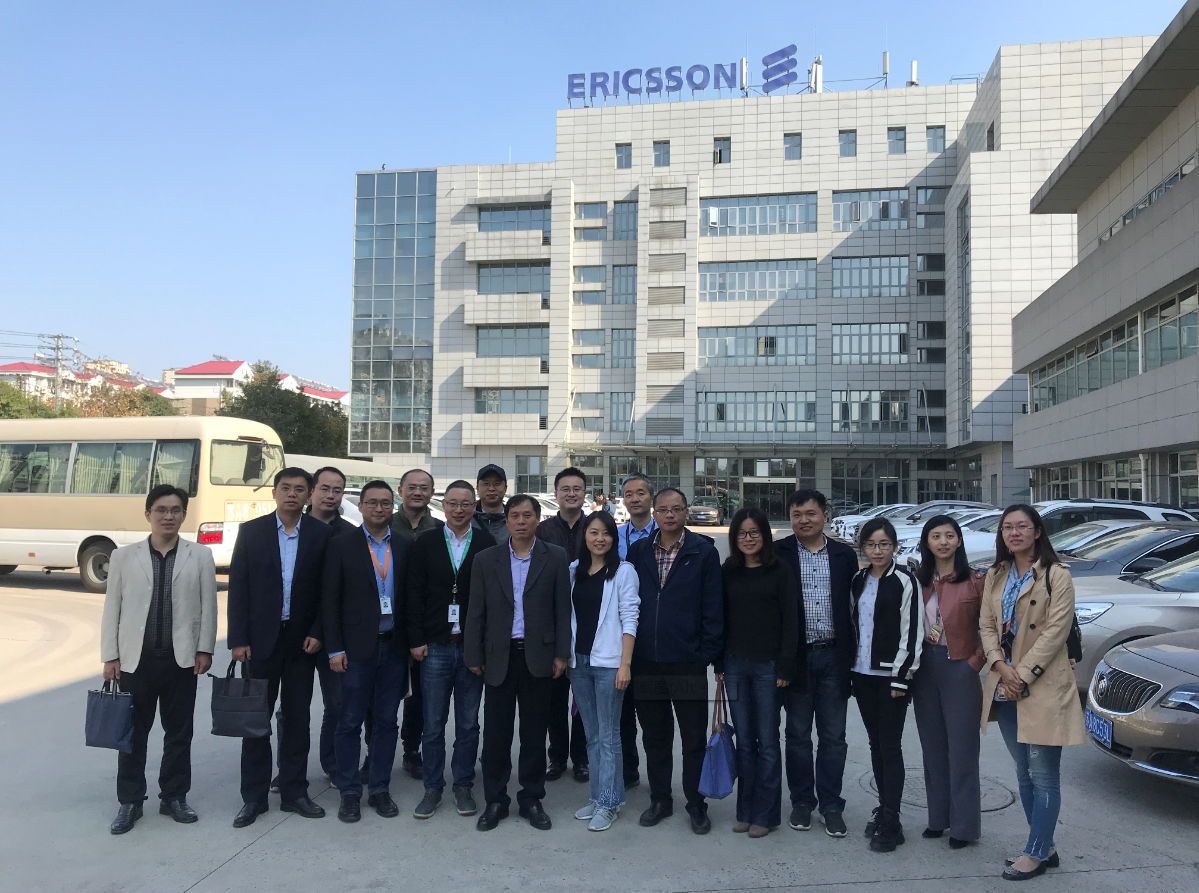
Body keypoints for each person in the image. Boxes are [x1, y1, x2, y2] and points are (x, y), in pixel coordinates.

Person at [100, 484, 218, 834]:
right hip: (136, 661)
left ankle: (174, 797)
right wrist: (110, 655)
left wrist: (205, 648)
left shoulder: (200, 556)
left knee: (179, 733)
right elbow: (112, 608)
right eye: (162, 510)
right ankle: (130, 801)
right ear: (148, 514)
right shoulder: (124, 556)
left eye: (175, 510)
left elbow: (209, 607)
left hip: (181, 661)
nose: (169, 516)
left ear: (184, 515)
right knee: (132, 735)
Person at [980, 504, 1085, 881]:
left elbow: (1056, 632)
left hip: (1041, 686)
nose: (1014, 533)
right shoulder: (996, 573)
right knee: (1023, 773)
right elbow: (986, 625)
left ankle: (1035, 853)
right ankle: (1045, 846)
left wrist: (1021, 675)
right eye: (1007, 527)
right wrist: (1000, 666)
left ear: (1037, 531)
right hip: (1004, 685)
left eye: (1022, 526)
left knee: (1043, 775)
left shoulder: (1057, 575)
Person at [227, 467, 332, 828]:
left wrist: (318, 631)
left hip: (302, 642)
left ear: (308, 495)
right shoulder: (252, 532)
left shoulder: (321, 535)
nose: (292, 494)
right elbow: (239, 587)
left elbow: (327, 590)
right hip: (260, 642)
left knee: (298, 719)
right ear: (274, 492)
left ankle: (294, 792)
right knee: (255, 721)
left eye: (299, 489)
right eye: (285, 488)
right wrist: (238, 639)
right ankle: (254, 798)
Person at [466, 494, 572, 831]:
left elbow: (562, 608)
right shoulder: (486, 559)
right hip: (499, 657)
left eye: (528, 515)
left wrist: (561, 653)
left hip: (539, 657)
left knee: (534, 734)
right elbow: (476, 611)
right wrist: (474, 655)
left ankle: (531, 798)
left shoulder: (555, 556)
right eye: (515, 515)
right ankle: (496, 800)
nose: (521, 521)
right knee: (496, 735)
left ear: (538, 519)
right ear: (507, 520)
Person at [627, 487, 723, 835]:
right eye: (663, 510)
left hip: (686, 663)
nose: (670, 515)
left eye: (677, 509)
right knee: (655, 736)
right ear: (654, 514)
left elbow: (714, 607)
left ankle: (696, 804)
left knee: (693, 737)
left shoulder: (703, 551)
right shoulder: (639, 550)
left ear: (686, 513)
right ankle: (660, 799)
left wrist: (704, 654)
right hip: (646, 662)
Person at [407, 480, 495, 820]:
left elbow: (492, 600)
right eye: (453, 503)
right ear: (442, 505)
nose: (459, 510)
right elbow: (413, 593)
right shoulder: (426, 542)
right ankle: (432, 787)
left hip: (471, 649)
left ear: (475, 507)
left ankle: (463, 785)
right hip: (435, 648)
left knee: (469, 724)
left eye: (466, 504)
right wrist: (416, 639)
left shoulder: (485, 542)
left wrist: (484, 646)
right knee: (432, 723)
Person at [322, 481, 410, 822]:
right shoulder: (342, 545)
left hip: (394, 648)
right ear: (360, 506)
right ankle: (349, 792)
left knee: (387, 722)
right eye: (372, 502)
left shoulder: (404, 545)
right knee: (349, 722)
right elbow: (329, 601)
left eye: (385, 503)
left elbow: (411, 598)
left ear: (393, 507)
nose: (378, 508)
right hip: (355, 650)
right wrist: (335, 649)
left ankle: (379, 789)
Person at [774, 489, 859, 838]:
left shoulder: (843, 555)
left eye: (810, 513)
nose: (803, 520)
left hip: (834, 657)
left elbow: (853, 607)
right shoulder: (778, 553)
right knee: (797, 735)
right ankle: (802, 801)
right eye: (796, 514)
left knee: (833, 736)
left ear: (825, 516)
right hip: (796, 658)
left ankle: (831, 805)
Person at [715, 507, 799, 838]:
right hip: (735, 665)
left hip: (768, 668)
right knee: (745, 742)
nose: (748, 539)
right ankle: (745, 811)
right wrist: (719, 663)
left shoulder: (780, 570)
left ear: (765, 535)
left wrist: (786, 666)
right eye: (741, 533)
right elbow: (721, 618)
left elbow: (791, 620)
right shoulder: (729, 570)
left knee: (768, 742)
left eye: (754, 533)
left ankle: (766, 815)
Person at [270, 466, 354, 791]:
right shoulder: (290, 528)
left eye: (337, 490)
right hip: (293, 636)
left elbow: (337, 592)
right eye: (324, 488)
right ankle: (288, 770)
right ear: (311, 492)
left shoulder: (349, 534)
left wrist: (321, 630)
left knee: (338, 703)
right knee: (291, 709)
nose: (330, 496)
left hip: (334, 636)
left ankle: (332, 764)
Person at [911, 514, 986, 849]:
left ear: (959, 540)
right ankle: (937, 818)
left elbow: (992, 627)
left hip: (960, 667)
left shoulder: (976, 581)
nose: (943, 542)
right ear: (926, 542)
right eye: (936, 536)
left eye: (949, 535)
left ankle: (964, 827)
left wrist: (974, 663)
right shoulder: (918, 581)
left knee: (962, 750)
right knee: (932, 748)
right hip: (924, 667)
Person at [850, 517, 921, 852]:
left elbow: (912, 632)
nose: (877, 551)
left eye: (884, 544)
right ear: (863, 547)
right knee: (875, 744)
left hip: (891, 678)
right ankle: (883, 809)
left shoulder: (906, 581)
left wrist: (902, 677)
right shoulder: (858, 580)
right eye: (871, 545)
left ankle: (892, 821)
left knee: (890, 746)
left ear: (894, 546)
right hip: (861, 674)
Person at [568, 511, 639, 832]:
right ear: (584, 535)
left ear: (614, 538)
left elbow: (630, 618)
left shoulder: (624, 572)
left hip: (610, 665)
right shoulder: (574, 571)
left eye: (606, 533)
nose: (600, 539)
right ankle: (599, 797)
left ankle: (609, 804)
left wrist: (625, 664)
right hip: (580, 663)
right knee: (592, 736)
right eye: (593, 532)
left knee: (609, 736)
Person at [537, 467, 590, 783]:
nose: (571, 494)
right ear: (556, 494)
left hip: (588, 625)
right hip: (552, 625)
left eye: (577, 489)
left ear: (585, 493)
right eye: (565, 489)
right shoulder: (542, 530)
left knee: (583, 698)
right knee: (554, 700)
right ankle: (556, 757)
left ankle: (581, 758)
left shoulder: (595, 528)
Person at [391, 468, 442, 781]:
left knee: (418, 697)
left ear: (431, 494)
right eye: (412, 487)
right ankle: (375, 752)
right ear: (400, 491)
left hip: (424, 625)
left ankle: (411, 751)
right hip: (386, 623)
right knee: (379, 696)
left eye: (424, 488)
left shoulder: (439, 529)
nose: (418, 492)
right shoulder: (384, 524)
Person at [473, 463, 510, 545]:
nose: (491, 489)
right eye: (486, 484)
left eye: (497, 484)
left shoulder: (515, 520)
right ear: (477, 488)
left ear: (505, 488)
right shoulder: (467, 520)